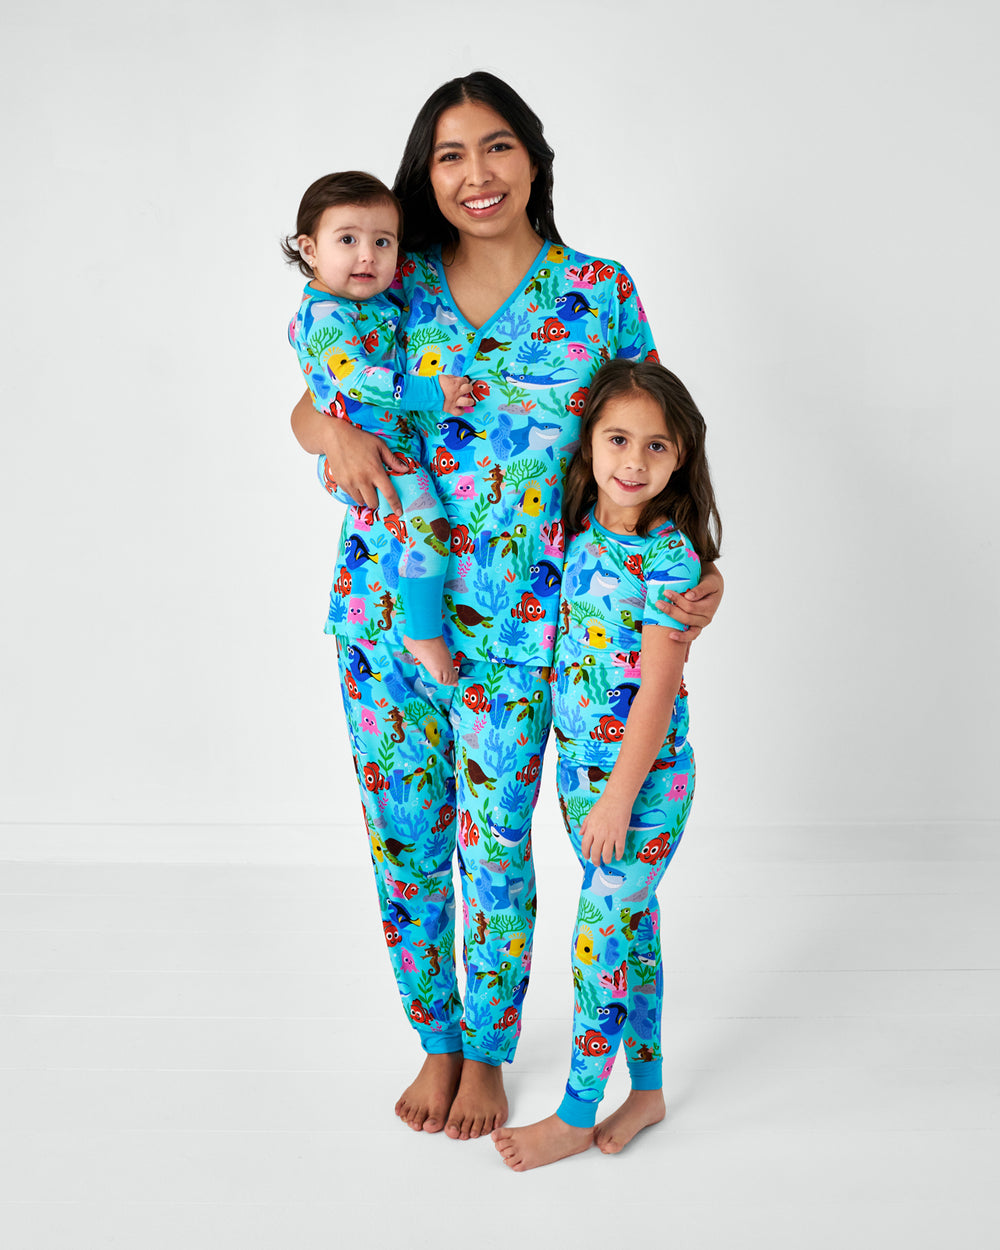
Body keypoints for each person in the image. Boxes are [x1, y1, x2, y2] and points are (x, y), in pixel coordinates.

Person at [289, 72, 725, 1142]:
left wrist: (689, 566)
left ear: (533, 157)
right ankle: (432, 1036)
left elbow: (653, 435)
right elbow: (317, 395)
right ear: (423, 176)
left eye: (494, 147)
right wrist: (332, 435)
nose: (473, 174)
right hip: (389, 611)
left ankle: (485, 1047)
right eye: (447, 155)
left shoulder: (596, 291)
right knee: (403, 837)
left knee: (493, 843)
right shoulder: (391, 275)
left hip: (539, 630)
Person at [492, 359, 722, 1170]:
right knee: (634, 931)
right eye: (618, 439)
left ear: (680, 460)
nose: (634, 460)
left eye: (656, 446)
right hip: (582, 780)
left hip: (645, 785)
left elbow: (658, 696)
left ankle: (577, 1112)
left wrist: (621, 798)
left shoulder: (669, 564)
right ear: (587, 443)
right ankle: (649, 1090)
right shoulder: (578, 537)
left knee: (598, 939)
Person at [284, 171, 472, 683]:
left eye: (382, 242)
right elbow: (360, 379)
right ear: (310, 248)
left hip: (388, 449)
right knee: (431, 529)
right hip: (379, 459)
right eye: (348, 240)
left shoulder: (373, 303)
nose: (367, 255)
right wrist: (437, 392)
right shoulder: (324, 315)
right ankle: (422, 630)